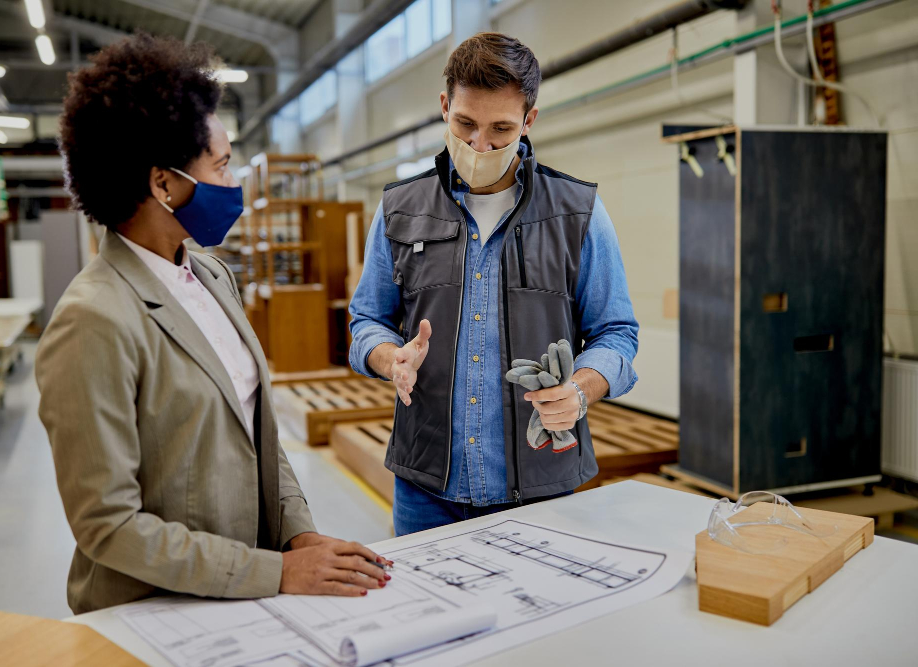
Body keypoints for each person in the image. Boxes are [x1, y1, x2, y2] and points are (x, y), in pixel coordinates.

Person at [37, 34, 389, 615]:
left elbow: (260, 437)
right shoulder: (93, 320)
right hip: (157, 610)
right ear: (164, 184)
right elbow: (109, 525)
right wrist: (273, 571)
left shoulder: (210, 277)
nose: (235, 184)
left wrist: (298, 535)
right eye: (222, 166)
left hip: (240, 596)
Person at [349, 33, 640, 536]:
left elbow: (617, 333)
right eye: (465, 124)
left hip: (542, 487)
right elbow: (366, 320)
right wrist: (387, 357)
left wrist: (579, 390)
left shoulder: (578, 213)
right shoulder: (399, 209)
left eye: (501, 129)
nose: (480, 145)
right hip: (425, 490)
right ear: (445, 107)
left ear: (529, 120)